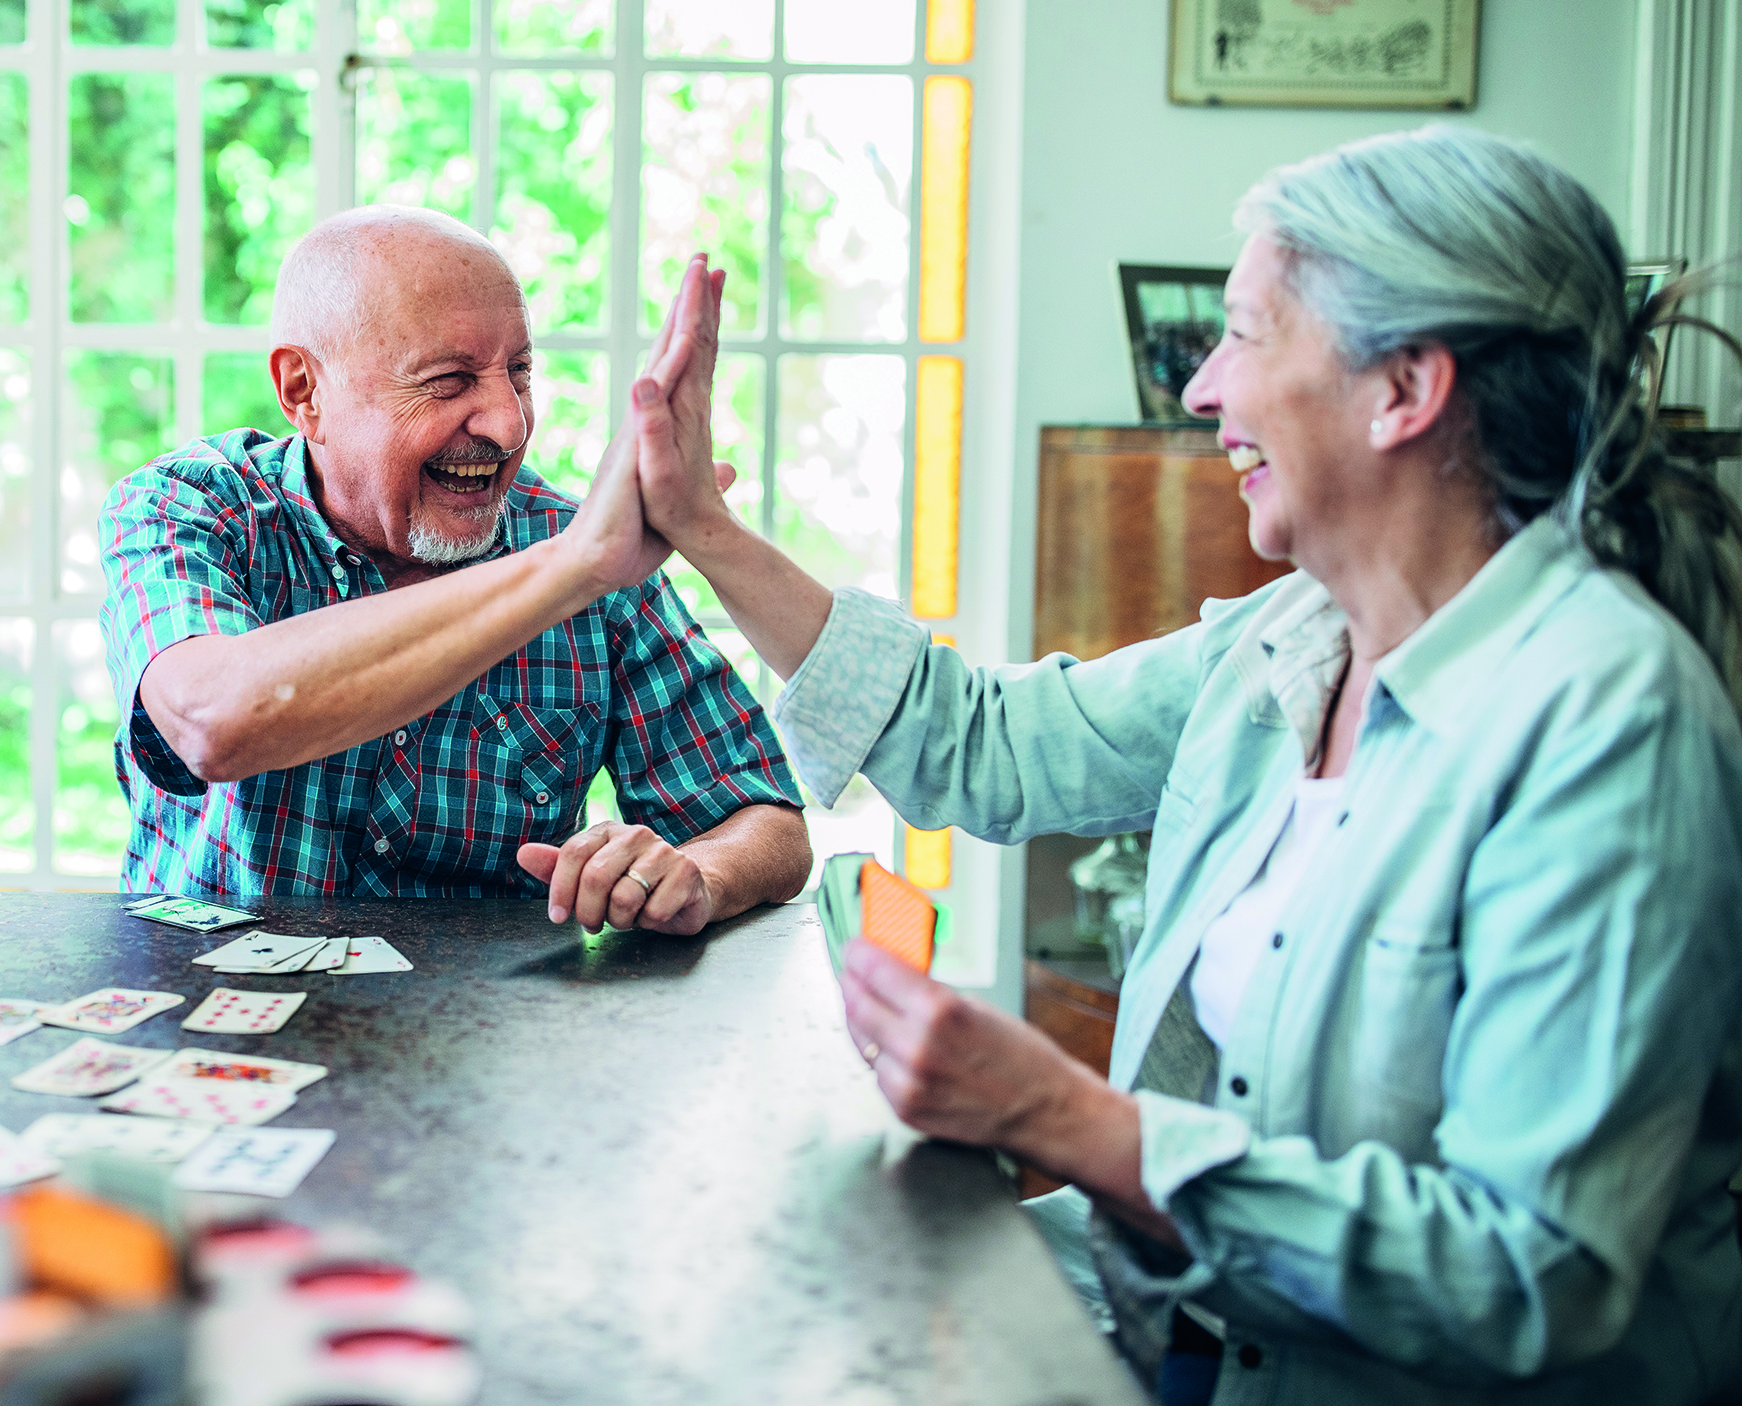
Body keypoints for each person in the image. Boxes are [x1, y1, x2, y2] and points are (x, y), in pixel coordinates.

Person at [614, 128, 1742, 1402]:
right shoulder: (1283, 643)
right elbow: (979, 743)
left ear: (1405, 389)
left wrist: (1061, 1117)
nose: (1202, 387)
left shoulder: (1609, 721)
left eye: (1246, 335)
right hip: (1201, 1343)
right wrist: (703, 526)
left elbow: (1532, 1275)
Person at [98, 206, 810, 932]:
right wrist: (567, 569)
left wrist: (698, 875)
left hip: (488, 1031)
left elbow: (767, 821)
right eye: (448, 381)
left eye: (519, 373)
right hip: (209, 1014)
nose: (507, 424)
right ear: (304, 392)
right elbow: (211, 721)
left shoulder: (584, 550)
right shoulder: (187, 508)